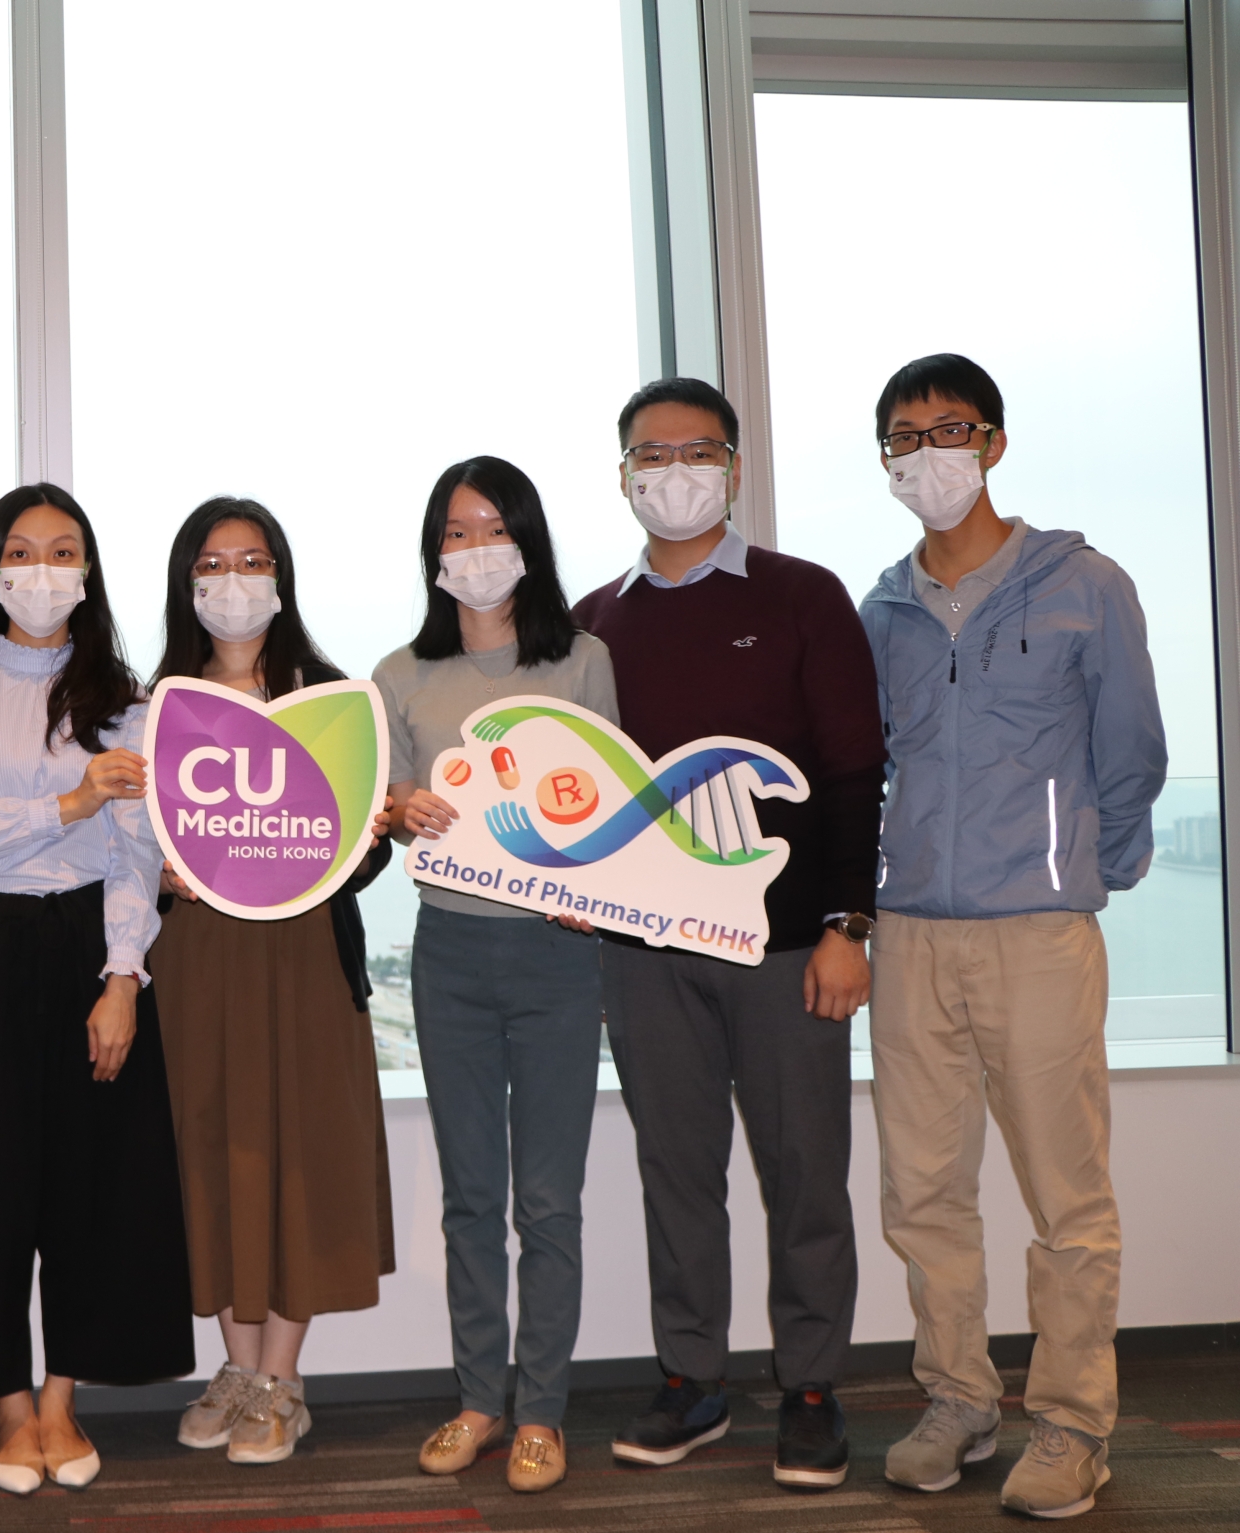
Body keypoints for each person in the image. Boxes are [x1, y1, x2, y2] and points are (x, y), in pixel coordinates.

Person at [858, 354, 1165, 1519]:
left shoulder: (1083, 584)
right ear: (884, 459)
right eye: (903, 437)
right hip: (908, 938)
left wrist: (1085, 874)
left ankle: (1073, 1423)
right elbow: (867, 768)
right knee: (920, 1191)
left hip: (1036, 932)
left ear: (991, 443)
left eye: (947, 430)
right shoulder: (879, 611)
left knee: (1063, 1198)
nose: (925, 454)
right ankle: (956, 1399)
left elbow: (1130, 751)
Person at [572, 378, 885, 1492]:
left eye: (696, 451)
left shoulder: (803, 596)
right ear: (622, 477)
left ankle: (811, 1388)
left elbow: (853, 770)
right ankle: (691, 1380)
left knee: (804, 1176)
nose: (674, 473)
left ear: (734, 468)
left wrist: (849, 924)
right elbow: (576, 789)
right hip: (644, 957)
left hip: (789, 948)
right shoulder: (591, 623)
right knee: (676, 1174)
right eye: (650, 456)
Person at [0, 484, 193, 1496]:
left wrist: (123, 976)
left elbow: (133, 850)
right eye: (21, 552)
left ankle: (61, 1400)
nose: (41, 571)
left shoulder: (125, 698)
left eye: (63, 551)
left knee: (91, 1181)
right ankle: (8, 1408)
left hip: (89, 948)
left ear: (88, 571)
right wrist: (67, 800)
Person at [375, 458, 616, 1494]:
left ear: (526, 539)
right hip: (451, 953)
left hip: (558, 955)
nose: (474, 550)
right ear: (433, 552)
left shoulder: (582, 659)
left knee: (548, 1201)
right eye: (455, 533)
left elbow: (612, 805)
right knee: (470, 1196)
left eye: (492, 528)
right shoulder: (399, 674)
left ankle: (543, 1410)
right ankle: (480, 1399)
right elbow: (383, 811)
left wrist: (591, 883)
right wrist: (398, 807)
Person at [150, 497, 394, 1468]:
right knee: (212, 1151)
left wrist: (365, 838)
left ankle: (283, 1380)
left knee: (301, 1153)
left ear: (281, 576)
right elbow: (130, 845)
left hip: (303, 958)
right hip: (197, 960)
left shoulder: (327, 697)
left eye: (253, 561)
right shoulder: (159, 704)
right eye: (212, 564)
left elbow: (361, 852)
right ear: (186, 584)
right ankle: (238, 1368)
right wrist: (156, 869)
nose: (234, 582)